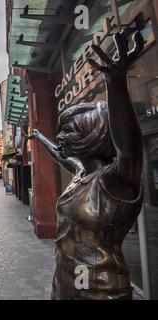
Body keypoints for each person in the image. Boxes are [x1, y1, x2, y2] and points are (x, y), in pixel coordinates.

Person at [27, 31, 144, 300]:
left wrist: (115, 83)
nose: (61, 137)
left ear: (93, 137)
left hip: (100, 290)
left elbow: (130, 151)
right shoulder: (83, 173)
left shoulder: (114, 181)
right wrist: (38, 136)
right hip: (65, 282)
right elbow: (59, 154)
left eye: (70, 132)